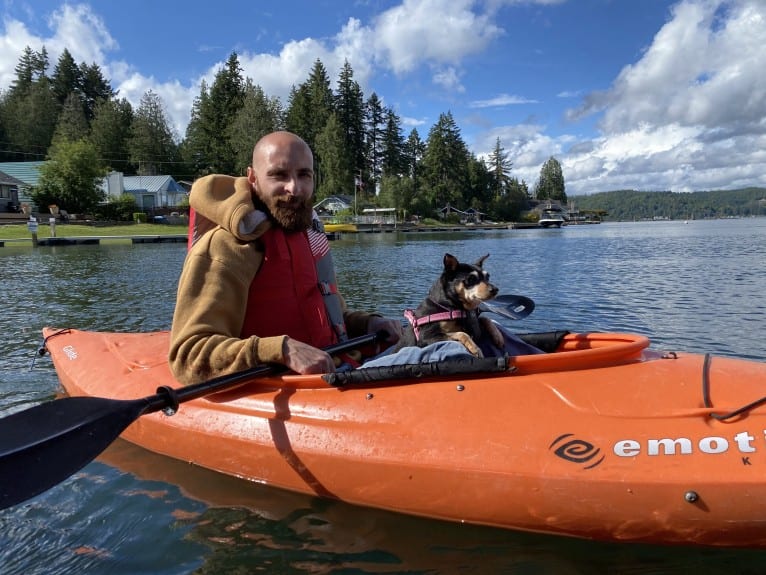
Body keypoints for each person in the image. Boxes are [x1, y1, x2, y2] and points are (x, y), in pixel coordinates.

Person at [169, 131, 402, 385]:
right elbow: (188, 355)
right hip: (291, 391)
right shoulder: (225, 248)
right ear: (253, 179)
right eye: (279, 175)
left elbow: (332, 321)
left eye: (304, 175)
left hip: (342, 371)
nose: (294, 188)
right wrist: (282, 350)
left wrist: (368, 324)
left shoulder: (307, 237)